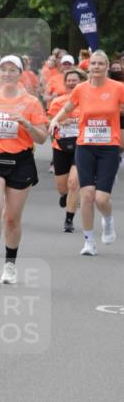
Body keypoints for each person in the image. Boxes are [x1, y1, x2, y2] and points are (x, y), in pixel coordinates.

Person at [0, 55, 48, 284]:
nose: (7, 74)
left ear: (20, 74)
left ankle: (10, 265)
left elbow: (42, 137)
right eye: (3, 69)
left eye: (12, 70)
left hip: (20, 162)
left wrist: (26, 124)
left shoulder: (31, 103)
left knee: (12, 219)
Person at [48, 49, 124, 255]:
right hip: (85, 146)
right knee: (87, 195)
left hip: (108, 148)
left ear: (107, 67)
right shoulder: (81, 89)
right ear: (88, 67)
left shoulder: (118, 88)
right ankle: (89, 241)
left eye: (101, 64)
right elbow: (68, 108)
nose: (97, 67)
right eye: (93, 64)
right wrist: (55, 120)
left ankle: (108, 220)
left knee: (101, 199)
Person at [47, 67, 85, 233]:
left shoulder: (87, 101)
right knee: (63, 188)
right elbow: (49, 122)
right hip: (60, 147)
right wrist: (60, 123)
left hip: (81, 146)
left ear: (81, 82)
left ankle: (69, 219)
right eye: (68, 80)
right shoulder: (57, 102)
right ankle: (66, 196)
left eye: (74, 80)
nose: (71, 83)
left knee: (73, 183)